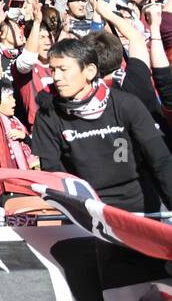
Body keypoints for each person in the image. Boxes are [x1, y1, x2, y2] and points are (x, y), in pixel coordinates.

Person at [31, 38, 172, 213]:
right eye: (52, 70)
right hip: (88, 210)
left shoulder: (125, 104)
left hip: (139, 205)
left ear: (89, 71)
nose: (56, 77)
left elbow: (160, 159)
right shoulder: (48, 114)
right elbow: (52, 173)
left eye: (63, 69)